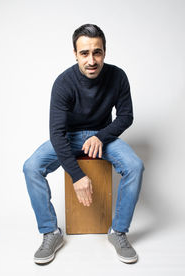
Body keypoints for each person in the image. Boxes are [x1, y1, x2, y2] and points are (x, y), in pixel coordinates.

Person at [23, 23, 144, 265]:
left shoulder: (117, 76)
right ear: (75, 54)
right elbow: (56, 133)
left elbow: (125, 116)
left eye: (96, 52)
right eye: (85, 53)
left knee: (135, 166)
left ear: (104, 52)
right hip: (69, 136)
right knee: (31, 167)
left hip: (103, 136)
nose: (91, 60)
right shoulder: (64, 83)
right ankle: (50, 233)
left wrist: (101, 136)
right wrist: (77, 175)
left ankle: (118, 232)